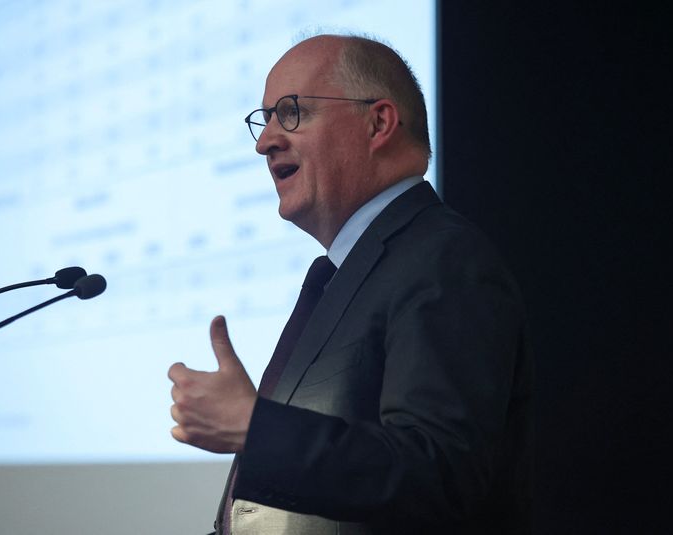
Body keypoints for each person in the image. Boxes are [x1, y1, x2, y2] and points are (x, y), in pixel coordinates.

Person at [168, 34, 533, 534]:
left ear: (378, 122)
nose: (265, 141)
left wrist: (256, 429)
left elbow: (441, 474)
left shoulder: (442, 257)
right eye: (265, 118)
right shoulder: (343, 274)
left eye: (292, 112)